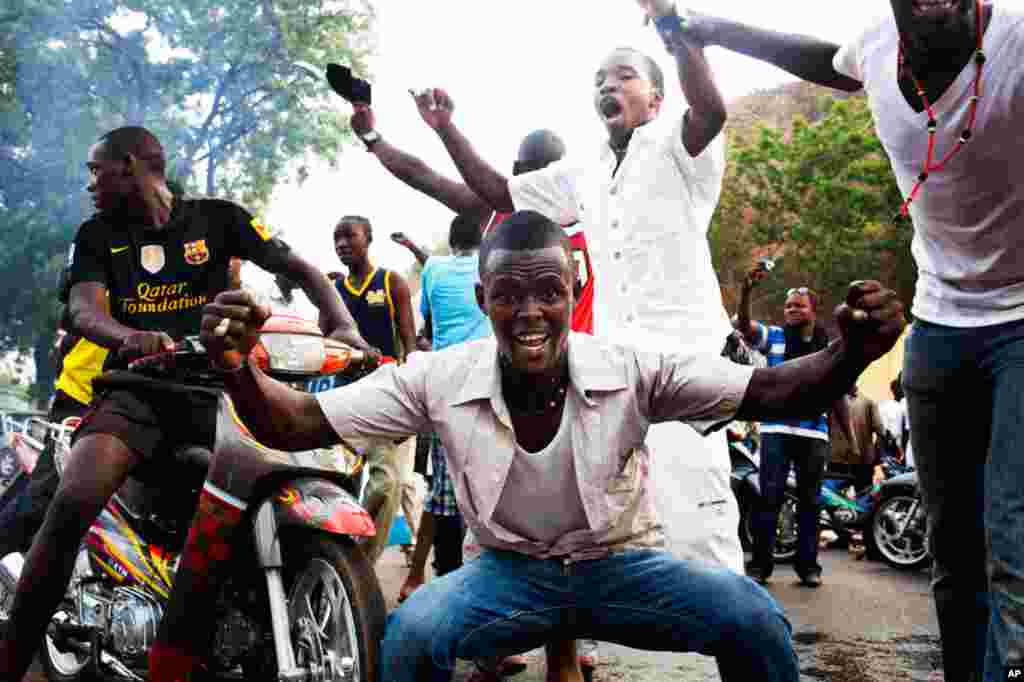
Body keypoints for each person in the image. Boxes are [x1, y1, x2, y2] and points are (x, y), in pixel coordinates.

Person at [199, 210, 906, 682]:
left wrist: (850, 355)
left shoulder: (633, 368)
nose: (530, 312)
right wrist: (237, 369)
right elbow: (296, 424)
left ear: (574, 290)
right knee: (412, 635)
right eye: (509, 294)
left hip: (623, 567)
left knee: (752, 618)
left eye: (548, 292)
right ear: (482, 299)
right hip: (509, 576)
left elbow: (773, 392)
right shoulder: (440, 377)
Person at [676, 1, 1024, 676]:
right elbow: (818, 57)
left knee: (1013, 540)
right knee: (952, 555)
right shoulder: (876, 44)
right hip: (939, 325)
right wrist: (712, 28)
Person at [0, 125, 368, 682]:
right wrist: (126, 335)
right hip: (136, 392)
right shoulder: (98, 234)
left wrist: (342, 326)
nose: (91, 184)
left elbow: (302, 270)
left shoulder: (219, 219)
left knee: (272, 486)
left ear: (133, 165)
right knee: (73, 499)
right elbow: (81, 308)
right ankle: (10, 657)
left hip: (225, 389)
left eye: (97, 171)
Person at [408, 0, 745, 582]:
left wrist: (673, 27)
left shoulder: (679, 145)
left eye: (624, 76)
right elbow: (495, 190)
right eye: (599, 80)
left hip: (688, 362)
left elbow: (710, 109)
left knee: (703, 530)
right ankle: (571, 644)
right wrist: (446, 130)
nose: (607, 85)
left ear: (657, 99)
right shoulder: (582, 172)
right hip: (619, 371)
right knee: (597, 520)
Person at [330, 214, 420, 565]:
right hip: (344, 398)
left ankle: (359, 558)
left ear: (368, 239)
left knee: (387, 484)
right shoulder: (335, 292)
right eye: (336, 239)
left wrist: (410, 393)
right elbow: (326, 338)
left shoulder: (390, 282)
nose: (341, 244)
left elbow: (410, 344)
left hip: (384, 398)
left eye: (349, 236)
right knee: (344, 486)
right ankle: (345, 558)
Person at [736, 269, 833, 587]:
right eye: (789, 306)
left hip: (814, 433)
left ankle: (808, 567)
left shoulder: (827, 345)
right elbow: (746, 328)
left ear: (813, 311)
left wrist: (844, 430)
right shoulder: (774, 337)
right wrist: (746, 294)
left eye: (799, 306)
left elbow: (837, 388)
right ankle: (761, 566)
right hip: (775, 429)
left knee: (811, 501)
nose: (792, 310)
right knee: (769, 498)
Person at [829, 385, 887, 496]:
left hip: (838, 459)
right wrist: (876, 456)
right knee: (863, 497)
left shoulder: (833, 403)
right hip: (862, 459)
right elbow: (881, 432)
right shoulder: (868, 402)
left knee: (834, 498)